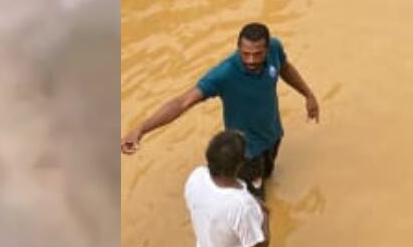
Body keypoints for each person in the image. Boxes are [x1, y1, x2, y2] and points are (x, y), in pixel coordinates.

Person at [121, 22, 317, 199]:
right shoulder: (224, 74)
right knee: (255, 202)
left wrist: (308, 95)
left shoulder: (275, 47)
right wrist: (141, 129)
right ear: (238, 48)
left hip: (273, 135)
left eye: (257, 54)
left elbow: (285, 68)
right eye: (245, 53)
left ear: (267, 49)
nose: (250, 60)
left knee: (268, 173)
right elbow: (183, 102)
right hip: (246, 153)